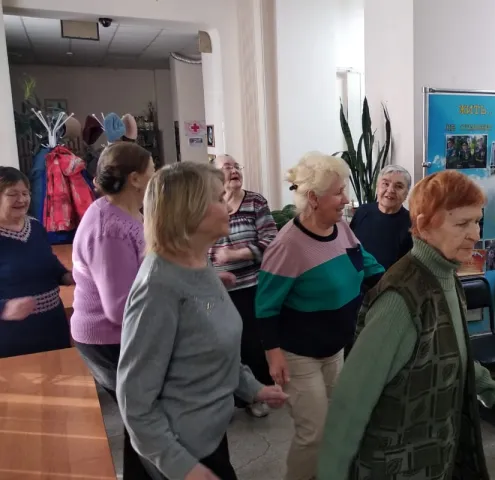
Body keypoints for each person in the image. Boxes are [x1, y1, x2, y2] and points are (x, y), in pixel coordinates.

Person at [317, 170, 495, 480]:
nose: (474, 234)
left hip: (436, 455)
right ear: (423, 225)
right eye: (461, 224)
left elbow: (454, 355)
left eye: (476, 221)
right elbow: (350, 403)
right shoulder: (400, 300)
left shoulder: (446, 277)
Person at [116, 162, 288, 480]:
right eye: (220, 199)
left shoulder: (200, 263)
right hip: (174, 452)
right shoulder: (157, 287)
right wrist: (182, 468)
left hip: (206, 436)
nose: (229, 207)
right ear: (190, 210)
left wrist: (253, 389)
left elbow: (212, 348)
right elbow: (134, 402)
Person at [256, 152, 384, 480]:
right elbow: (266, 305)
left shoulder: (340, 228)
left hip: (334, 349)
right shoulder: (287, 246)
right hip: (299, 356)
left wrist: (398, 284)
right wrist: (272, 353)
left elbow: (366, 263)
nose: (346, 200)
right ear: (313, 198)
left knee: (337, 425)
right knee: (313, 434)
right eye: (339, 192)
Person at [70, 142, 154, 400]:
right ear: (135, 179)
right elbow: (119, 309)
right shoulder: (109, 230)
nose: (156, 177)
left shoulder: (130, 213)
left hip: (127, 333)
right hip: (108, 339)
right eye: (153, 170)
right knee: (142, 409)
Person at [209, 154, 278, 418]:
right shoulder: (207, 204)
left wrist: (236, 254)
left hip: (252, 285)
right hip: (216, 288)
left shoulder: (255, 202)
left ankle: (256, 395)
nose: (234, 170)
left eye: (236, 166)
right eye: (227, 167)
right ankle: (231, 396)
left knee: (252, 343)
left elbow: (271, 241)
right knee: (224, 345)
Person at [0, 166, 73, 358]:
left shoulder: (35, 226)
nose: (22, 199)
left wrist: (66, 276)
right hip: (12, 334)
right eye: (12, 194)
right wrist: (4, 308)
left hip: (53, 323)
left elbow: (48, 263)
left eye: (25, 193)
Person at [350, 164, 412, 270]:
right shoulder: (362, 211)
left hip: (390, 279)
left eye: (398, 186)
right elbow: (350, 245)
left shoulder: (413, 223)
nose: (390, 190)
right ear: (377, 187)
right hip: (357, 277)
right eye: (385, 184)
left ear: (406, 193)